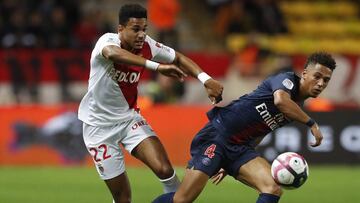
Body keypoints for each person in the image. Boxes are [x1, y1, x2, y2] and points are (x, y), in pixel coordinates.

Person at [77, 4, 223, 203]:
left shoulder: (148, 45)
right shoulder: (107, 40)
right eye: (135, 29)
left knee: (165, 170)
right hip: (98, 128)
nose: (141, 35)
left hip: (129, 120)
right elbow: (112, 54)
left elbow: (178, 57)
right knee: (123, 198)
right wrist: (157, 66)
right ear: (120, 29)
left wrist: (206, 79)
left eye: (144, 29)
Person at [153, 52, 336, 203]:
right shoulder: (286, 80)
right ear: (304, 74)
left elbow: (264, 129)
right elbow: (280, 101)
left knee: (272, 189)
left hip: (240, 149)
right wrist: (311, 124)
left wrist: (230, 164)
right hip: (218, 136)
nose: (321, 83)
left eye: (326, 80)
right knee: (182, 200)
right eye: (317, 76)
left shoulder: (297, 108)